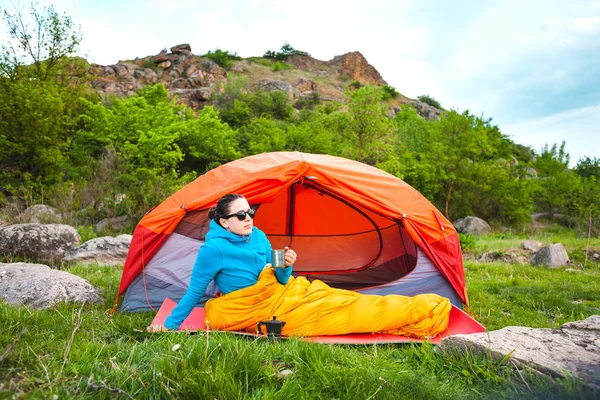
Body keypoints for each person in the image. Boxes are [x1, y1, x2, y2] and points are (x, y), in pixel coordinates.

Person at [163, 193, 297, 330]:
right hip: (245, 308)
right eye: (240, 215)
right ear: (224, 222)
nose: (248, 219)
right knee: (307, 316)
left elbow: (280, 279)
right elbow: (195, 291)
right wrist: (171, 324)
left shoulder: (259, 236)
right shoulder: (213, 249)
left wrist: (285, 266)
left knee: (317, 300)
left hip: (274, 297)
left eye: (250, 213)